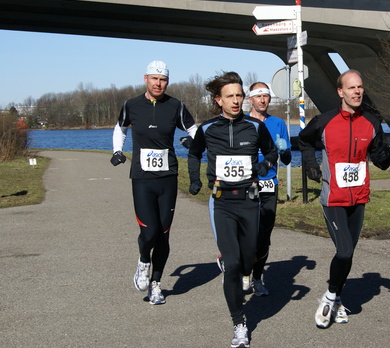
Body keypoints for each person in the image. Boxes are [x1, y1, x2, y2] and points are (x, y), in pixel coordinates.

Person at [187, 72, 277, 348]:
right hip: (223, 202)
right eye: (230, 96)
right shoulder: (207, 129)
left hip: (250, 201)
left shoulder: (254, 126)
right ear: (218, 100)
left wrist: (262, 168)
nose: (236, 100)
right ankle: (239, 323)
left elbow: (271, 152)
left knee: (247, 260)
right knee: (234, 265)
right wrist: (195, 179)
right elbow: (193, 153)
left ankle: (239, 266)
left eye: (239, 95)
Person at [298, 69, 390, 328]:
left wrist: (384, 155)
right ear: (341, 92)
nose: (357, 91)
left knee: (348, 254)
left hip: (358, 197)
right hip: (333, 198)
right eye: (352, 88)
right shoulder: (324, 121)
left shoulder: (371, 123)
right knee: (344, 250)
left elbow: (381, 158)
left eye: (360, 87)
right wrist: (310, 164)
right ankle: (329, 297)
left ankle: (338, 299)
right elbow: (304, 141)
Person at [111, 60, 197, 305]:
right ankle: (143, 261)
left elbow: (194, 130)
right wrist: (117, 151)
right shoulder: (131, 105)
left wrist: (194, 143)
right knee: (149, 232)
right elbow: (120, 129)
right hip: (142, 178)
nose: (159, 84)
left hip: (167, 177)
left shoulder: (176, 106)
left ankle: (156, 284)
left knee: (164, 233)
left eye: (163, 80)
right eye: (154, 79)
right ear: (145, 79)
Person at [241, 81, 292, 296]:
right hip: (246, 184)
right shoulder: (241, 122)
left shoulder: (278, 124)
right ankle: (243, 273)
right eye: (258, 96)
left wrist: (283, 149)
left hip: (270, 185)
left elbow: (288, 159)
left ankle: (258, 278)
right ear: (250, 99)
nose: (263, 100)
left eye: (266, 96)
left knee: (264, 236)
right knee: (246, 234)